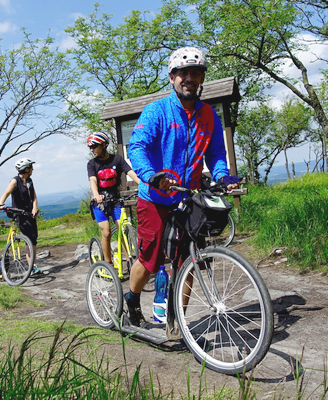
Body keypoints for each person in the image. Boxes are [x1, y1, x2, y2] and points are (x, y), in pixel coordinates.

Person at [126, 47, 240, 327]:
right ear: (172, 78)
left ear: (201, 78)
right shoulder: (157, 111)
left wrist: (222, 176)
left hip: (188, 198)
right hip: (154, 196)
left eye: (196, 73)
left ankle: (177, 320)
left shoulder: (208, 114)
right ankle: (131, 298)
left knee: (189, 259)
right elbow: (137, 147)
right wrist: (151, 175)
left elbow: (215, 154)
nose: (189, 78)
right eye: (183, 73)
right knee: (150, 260)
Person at [87, 131, 140, 265]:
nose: (92, 150)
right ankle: (108, 264)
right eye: (90, 148)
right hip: (99, 203)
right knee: (106, 232)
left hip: (115, 200)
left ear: (103, 145)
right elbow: (93, 181)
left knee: (122, 229)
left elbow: (130, 172)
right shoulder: (92, 164)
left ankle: (129, 261)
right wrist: (96, 195)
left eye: (94, 146)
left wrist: (142, 184)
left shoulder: (117, 160)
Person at [0, 157, 42, 275]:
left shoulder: (30, 181)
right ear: (26, 169)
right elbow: (6, 193)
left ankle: (33, 265)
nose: (32, 169)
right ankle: (31, 267)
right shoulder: (15, 181)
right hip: (19, 214)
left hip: (30, 214)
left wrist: (34, 207)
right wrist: (1, 203)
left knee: (34, 240)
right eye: (31, 167)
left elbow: (34, 197)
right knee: (30, 238)